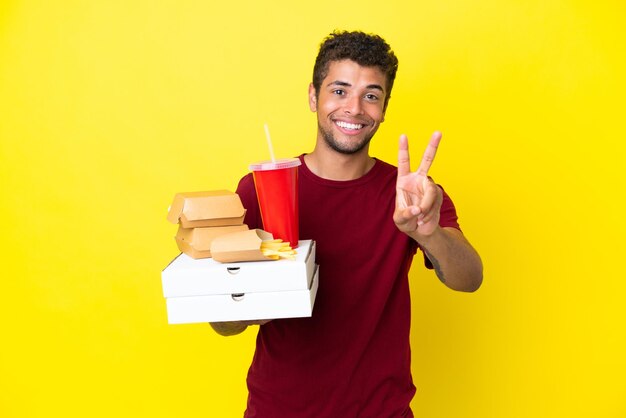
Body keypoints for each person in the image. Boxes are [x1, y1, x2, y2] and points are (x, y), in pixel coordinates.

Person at [211, 30, 483, 417]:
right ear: (312, 97)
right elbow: (224, 325)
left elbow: (470, 278)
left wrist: (428, 232)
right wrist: (255, 304)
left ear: (384, 109)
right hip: (278, 409)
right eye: (339, 91)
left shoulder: (412, 195)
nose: (354, 108)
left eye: (371, 95)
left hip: (380, 410)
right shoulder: (259, 190)